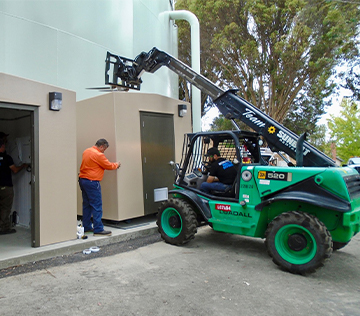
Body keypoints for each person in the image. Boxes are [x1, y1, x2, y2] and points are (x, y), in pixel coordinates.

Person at [78, 139, 121, 236]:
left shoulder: (86, 151)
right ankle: (98, 229)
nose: (104, 151)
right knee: (96, 205)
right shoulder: (98, 155)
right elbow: (108, 165)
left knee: (87, 205)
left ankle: (87, 227)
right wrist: (117, 165)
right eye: (104, 149)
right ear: (101, 146)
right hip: (92, 182)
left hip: (83, 180)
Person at [0, 138, 28, 235]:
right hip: (6, 187)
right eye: (4, 145)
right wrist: (23, 166)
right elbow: (15, 170)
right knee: (5, 208)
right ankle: (3, 228)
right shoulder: (7, 158)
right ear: (2, 147)